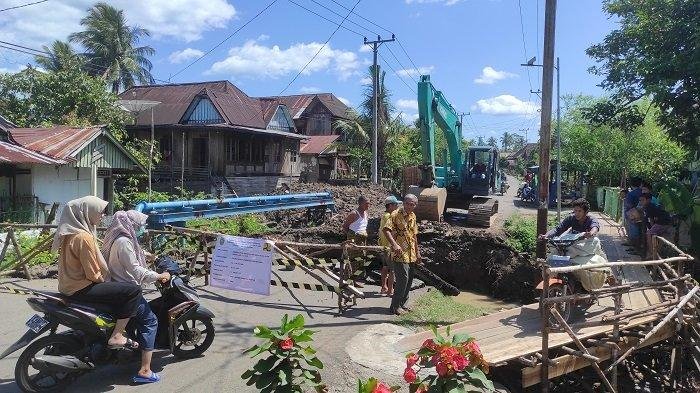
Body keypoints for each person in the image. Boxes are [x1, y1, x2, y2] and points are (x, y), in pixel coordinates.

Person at [52, 196, 141, 350]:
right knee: (133, 291)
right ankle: (117, 335)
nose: (102, 216)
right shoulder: (84, 237)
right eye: (99, 212)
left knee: (117, 290)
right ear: (87, 212)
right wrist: (108, 281)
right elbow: (93, 274)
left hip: (67, 287)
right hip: (81, 288)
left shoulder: (69, 234)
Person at [102, 210, 171, 384]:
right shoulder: (124, 241)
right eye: (140, 225)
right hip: (127, 290)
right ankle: (145, 370)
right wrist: (159, 276)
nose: (142, 228)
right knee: (150, 321)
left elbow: (133, 253)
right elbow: (135, 269)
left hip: (115, 286)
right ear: (132, 225)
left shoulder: (116, 237)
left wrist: (147, 255)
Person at [383, 194, 420, 315]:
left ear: (415, 205)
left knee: (409, 280)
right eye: (407, 203)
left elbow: (414, 236)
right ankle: (395, 306)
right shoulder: (395, 215)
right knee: (402, 279)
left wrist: (418, 253)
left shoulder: (413, 216)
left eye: (412, 204)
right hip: (399, 253)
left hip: (411, 253)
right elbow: (386, 230)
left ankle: (403, 304)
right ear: (403, 203)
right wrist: (394, 244)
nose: (409, 206)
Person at [343, 196, 369, 285]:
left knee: (360, 261)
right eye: (366, 203)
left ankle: (354, 280)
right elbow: (345, 226)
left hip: (362, 241)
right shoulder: (354, 214)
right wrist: (351, 237)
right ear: (360, 203)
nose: (368, 205)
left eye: (369, 203)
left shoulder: (366, 213)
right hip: (353, 240)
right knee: (351, 261)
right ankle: (347, 282)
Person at [639, 193, 673, 259]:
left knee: (649, 234)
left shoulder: (648, 206)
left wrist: (652, 229)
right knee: (660, 237)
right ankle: (656, 252)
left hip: (662, 222)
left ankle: (652, 253)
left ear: (648, 200)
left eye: (642, 200)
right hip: (667, 221)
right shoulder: (651, 206)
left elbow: (651, 219)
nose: (641, 202)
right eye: (640, 200)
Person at [378, 196, 400, 296]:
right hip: (389, 247)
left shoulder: (384, 215)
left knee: (385, 267)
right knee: (392, 270)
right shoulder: (389, 217)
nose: (397, 206)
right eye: (396, 205)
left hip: (383, 246)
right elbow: (390, 232)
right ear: (390, 205)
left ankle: (384, 287)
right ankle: (390, 290)